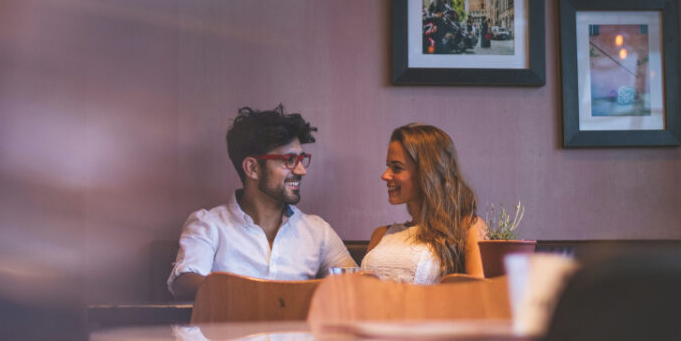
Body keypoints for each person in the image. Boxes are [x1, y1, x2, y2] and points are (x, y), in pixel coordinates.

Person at [167, 105, 357, 301]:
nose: (301, 171)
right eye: (290, 160)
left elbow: (356, 283)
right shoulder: (208, 224)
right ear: (252, 168)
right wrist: (268, 297)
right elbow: (185, 281)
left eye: (301, 159)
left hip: (299, 333)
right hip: (230, 332)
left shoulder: (318, 231)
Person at [360, 123, 486, 284]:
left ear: (426, 173)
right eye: (388, 166)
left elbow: (479, 295)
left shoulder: (468, 227)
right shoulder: (380, 235)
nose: (385, 175)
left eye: (397, 168)